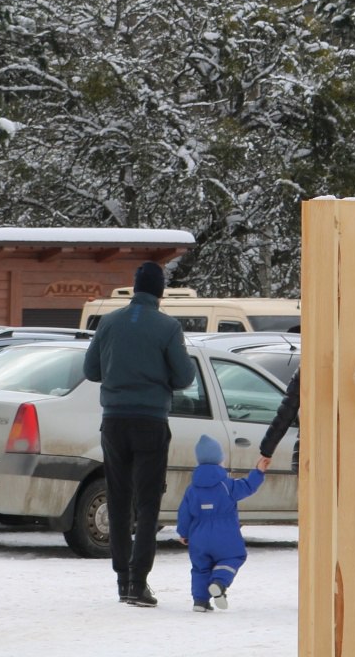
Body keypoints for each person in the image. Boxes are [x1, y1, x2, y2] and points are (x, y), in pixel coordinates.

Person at [83, 260, 196, 608]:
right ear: (160, 292)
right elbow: (184, 378)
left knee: (118, 499)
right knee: (147, 503)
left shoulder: (109, 322)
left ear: (134, 288)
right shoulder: (167, 327)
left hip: (114, 421)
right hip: (150, 421)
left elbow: (91, 370)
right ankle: (138, 582)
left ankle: (121, 580)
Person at [177, 433, 265, 611]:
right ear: (219, 461)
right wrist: (258, 471)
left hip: (198, 535)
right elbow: (248, 486)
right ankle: (219, 581)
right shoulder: (228, 485)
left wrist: (183, 533)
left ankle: (200, 602)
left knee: (200, 568)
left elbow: (184, 512)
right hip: (225, 533)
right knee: (233, 557)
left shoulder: (192, 488)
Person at [254, 366, 300, 473]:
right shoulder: (307, 367)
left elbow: (285, 413)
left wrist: (266, 451)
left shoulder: (306, 367)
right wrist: (266, 451)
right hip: (311, 455)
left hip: (309, 455)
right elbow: (286, 412)